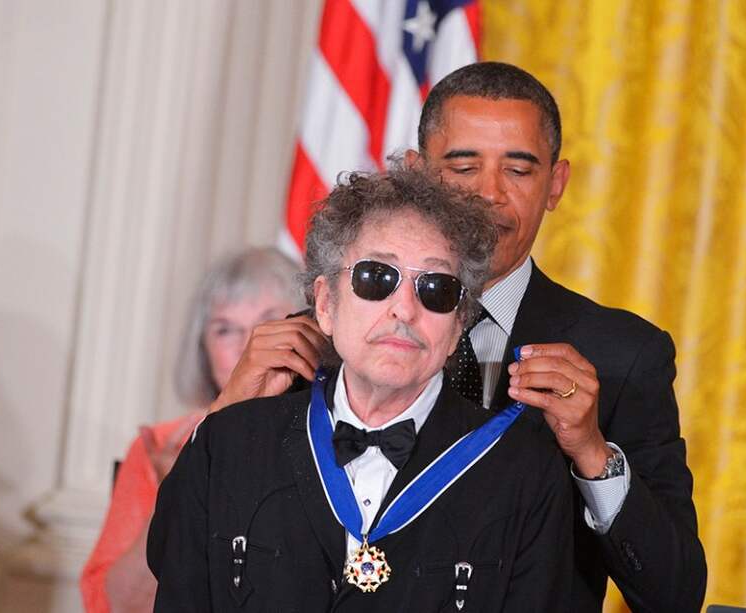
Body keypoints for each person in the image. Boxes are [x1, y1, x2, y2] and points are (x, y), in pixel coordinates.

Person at [213, 62, 707, 612]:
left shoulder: (622, 356)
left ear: (556, 184)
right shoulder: (327, 335)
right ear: (420, 173)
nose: (488, 195)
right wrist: (229, 409)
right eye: (463, 167)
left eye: (518, 171)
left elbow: (675, 595)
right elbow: (191, 556)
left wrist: (592, 452)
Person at [147, 166, 574, 611]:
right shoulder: (229, 444)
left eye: (435, 288)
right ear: (327, 304)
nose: (404, 310)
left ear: (457, 326)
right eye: (377, 278)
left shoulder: (523, 472)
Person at [80, 247, 305, 613]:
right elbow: (111, 604)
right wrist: (183, 485)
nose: (249, 345)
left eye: (269, 323)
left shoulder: (342, 433)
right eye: (225, 329)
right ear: (202, 348)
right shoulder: (162, 445)